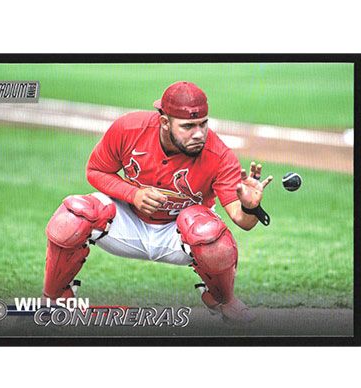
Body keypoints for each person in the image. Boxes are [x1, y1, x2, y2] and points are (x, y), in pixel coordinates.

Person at [42, 81, 273, 323]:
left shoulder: (219, 155)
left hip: (181, 233)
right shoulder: (129, 129)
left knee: (212, 237)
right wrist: (133, 194)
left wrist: (251, 207)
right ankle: (53, 299)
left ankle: (224, 299)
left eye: (203, 124)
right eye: (188, 126)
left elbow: (243, 220)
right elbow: (96, 170)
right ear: (164, 122)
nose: (199, 134)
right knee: (74, 215)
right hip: (127, 222)